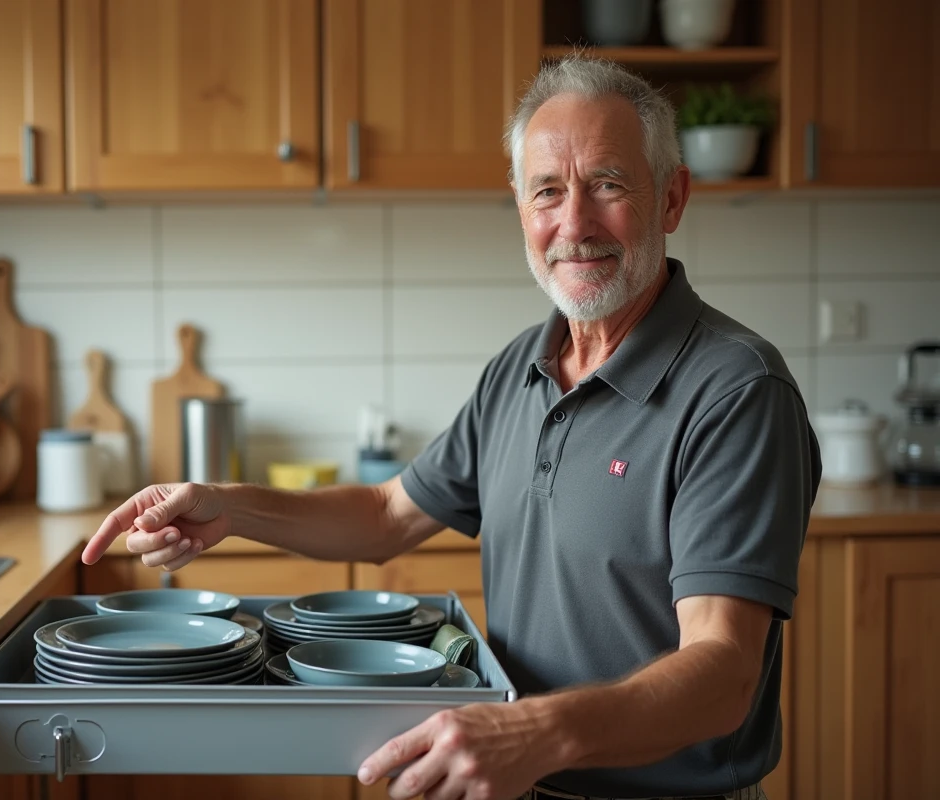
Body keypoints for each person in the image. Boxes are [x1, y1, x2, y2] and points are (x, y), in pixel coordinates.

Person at [82, 53, 820, 800]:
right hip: (514, 781)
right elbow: (385, 516)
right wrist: (230, 506)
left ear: (671, 198)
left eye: (608, 184)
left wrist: (533, 731)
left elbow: (724, 671)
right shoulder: (518, 371)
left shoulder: (735, 390)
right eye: (547, 191)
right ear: (520, 205)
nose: (574, 223)